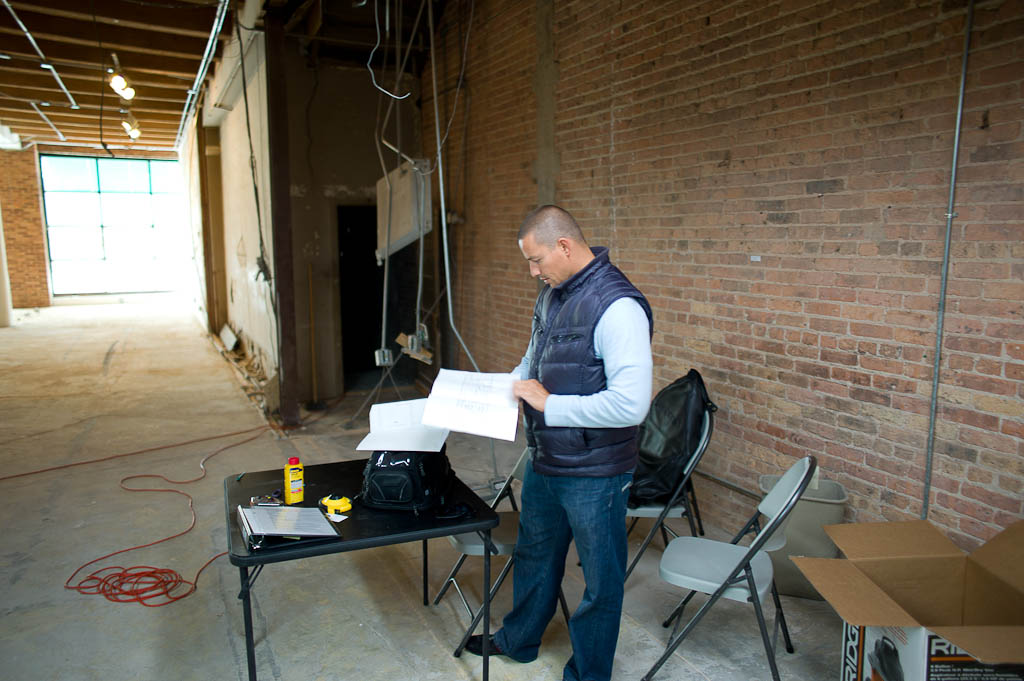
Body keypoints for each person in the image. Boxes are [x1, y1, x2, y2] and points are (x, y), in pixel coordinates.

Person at [466, 205, 653, 681]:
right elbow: (532, 360)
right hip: (547, 457)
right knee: (535, 554)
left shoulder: (618, 307)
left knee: (600, 583)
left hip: (596, 471)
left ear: (564, 246)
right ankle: (519, 640)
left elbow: (631, 406)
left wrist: (550, 405)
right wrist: (497, 392)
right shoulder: (552, 296)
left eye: (536, 260)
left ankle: (588, 674)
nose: (533, 272)